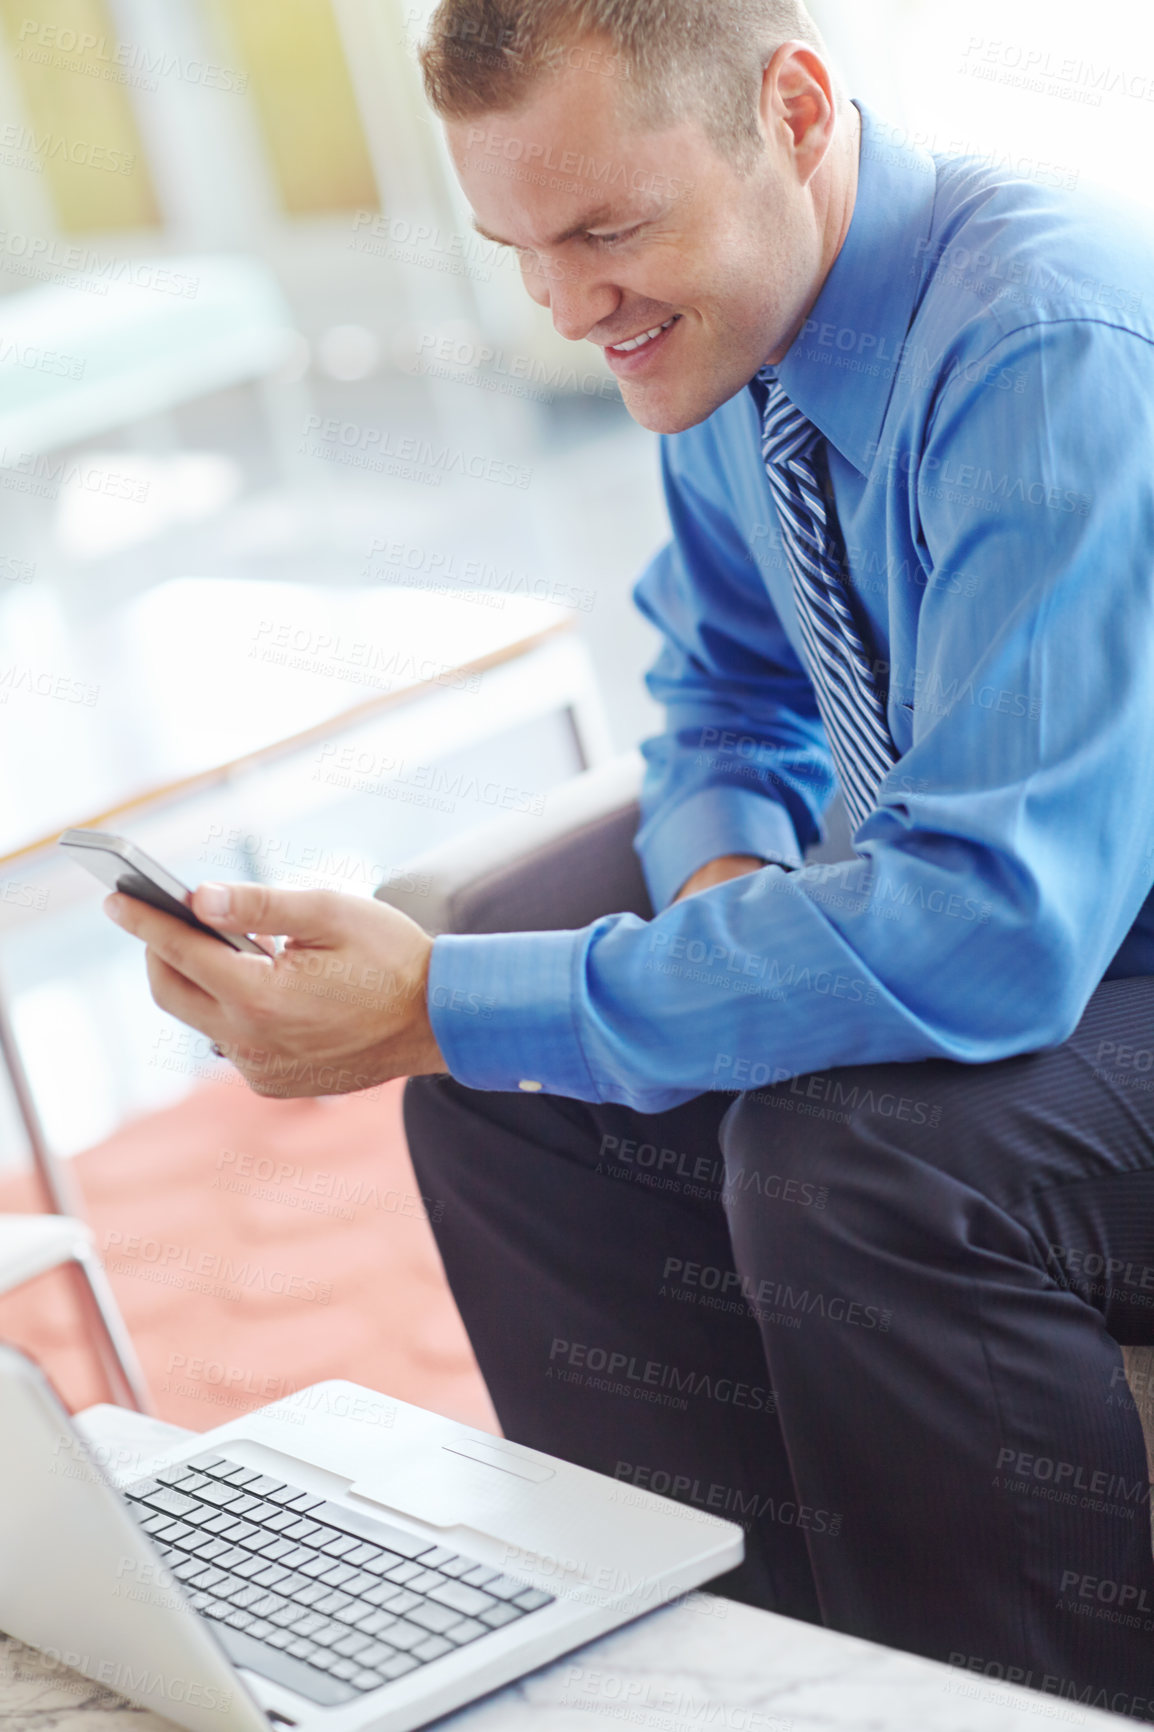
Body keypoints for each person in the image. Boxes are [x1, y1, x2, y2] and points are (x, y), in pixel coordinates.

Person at [105, 0, 1154, 1715]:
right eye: (518, 246)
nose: (571, 304)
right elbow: (729, 701)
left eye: (607, 227)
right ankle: (725, 1666)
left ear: (792, 110)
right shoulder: (737, 342)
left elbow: (990, 934)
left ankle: (991, 1703)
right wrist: (725, 903)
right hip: (1068, 941)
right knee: (515, 1084)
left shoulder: (1045, 344)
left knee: (856, 1160)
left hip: (1096, 952)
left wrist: (442, 998)